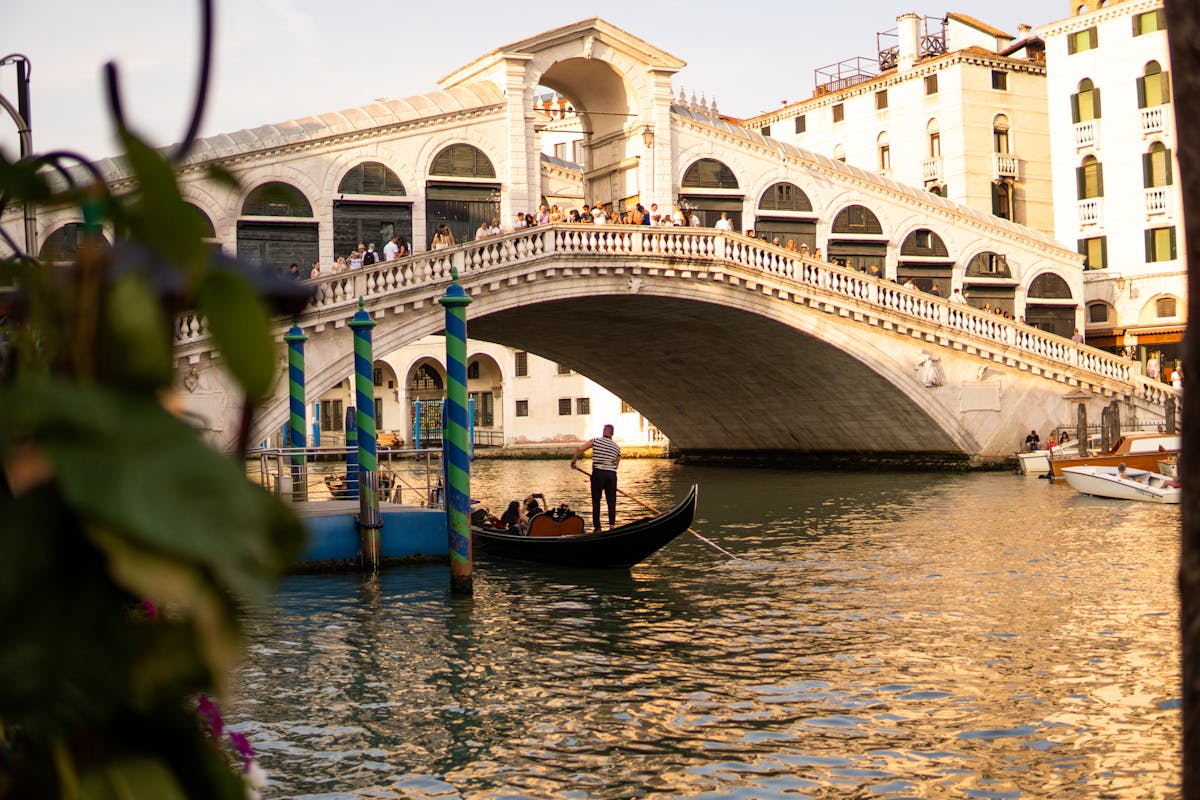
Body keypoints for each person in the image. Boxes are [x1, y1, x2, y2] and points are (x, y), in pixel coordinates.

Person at [571, 423, 621, 532]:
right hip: (611, 475)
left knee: (596, 501)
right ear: (612, 433)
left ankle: (597, 528)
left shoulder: (596, 441)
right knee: (611, 501)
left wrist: (573, 462)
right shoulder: (617, 447)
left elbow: (580, 449)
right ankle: (612, 526)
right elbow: (616, 465)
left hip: (598, 474)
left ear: (603, 432)